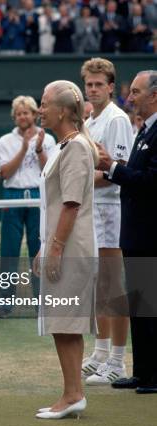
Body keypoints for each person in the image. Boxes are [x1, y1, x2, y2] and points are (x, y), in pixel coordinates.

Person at [34, 80, 99, 419]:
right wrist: (46, 246)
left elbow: (71, 205)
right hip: (62, 245)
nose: (39, 110)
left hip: (72, 249)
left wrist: (56, 248)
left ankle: (73, 394)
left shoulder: (75, 148)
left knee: (67, 322)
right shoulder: (65, 146)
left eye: (44, 104)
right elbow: (58, 204)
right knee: (63, 322)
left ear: (61, 110)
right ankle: (72, 393)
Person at [98, 70, 157, 394]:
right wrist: (115, 167)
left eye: (136, 92)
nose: (130, 98)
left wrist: (112, 168)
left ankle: (154, 375)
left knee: (151, 308)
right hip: (136, 233)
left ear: (154, 96)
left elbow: (151, 181)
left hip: (150, 234)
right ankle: (143, 372)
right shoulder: (145, 131)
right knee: (141, 307)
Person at [80, 58, 133, 386]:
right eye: (89, 84)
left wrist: (80, 179)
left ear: (111, 87)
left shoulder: (116, 119)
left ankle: (118, 361)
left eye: (99, 84)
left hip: (111, 212)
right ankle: (100, 353)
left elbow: (119, 169)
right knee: (98, 286)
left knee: (114, 287)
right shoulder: (89, 118)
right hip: (92, 211)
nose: (94, 89)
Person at [0, 96, 55, 318]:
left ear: (34, 114)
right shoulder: (5, 141)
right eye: (19, 113)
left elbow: (47, 172)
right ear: (15, 117)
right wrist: (23, 148)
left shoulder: (47, 138)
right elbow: (5, 173)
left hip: (38, 198)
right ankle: (5, 304)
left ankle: (41, 304)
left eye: (27, 112)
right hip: (12, 197)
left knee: (38, 251)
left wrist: (38, 149)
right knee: (8, 253)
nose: (23, 116)